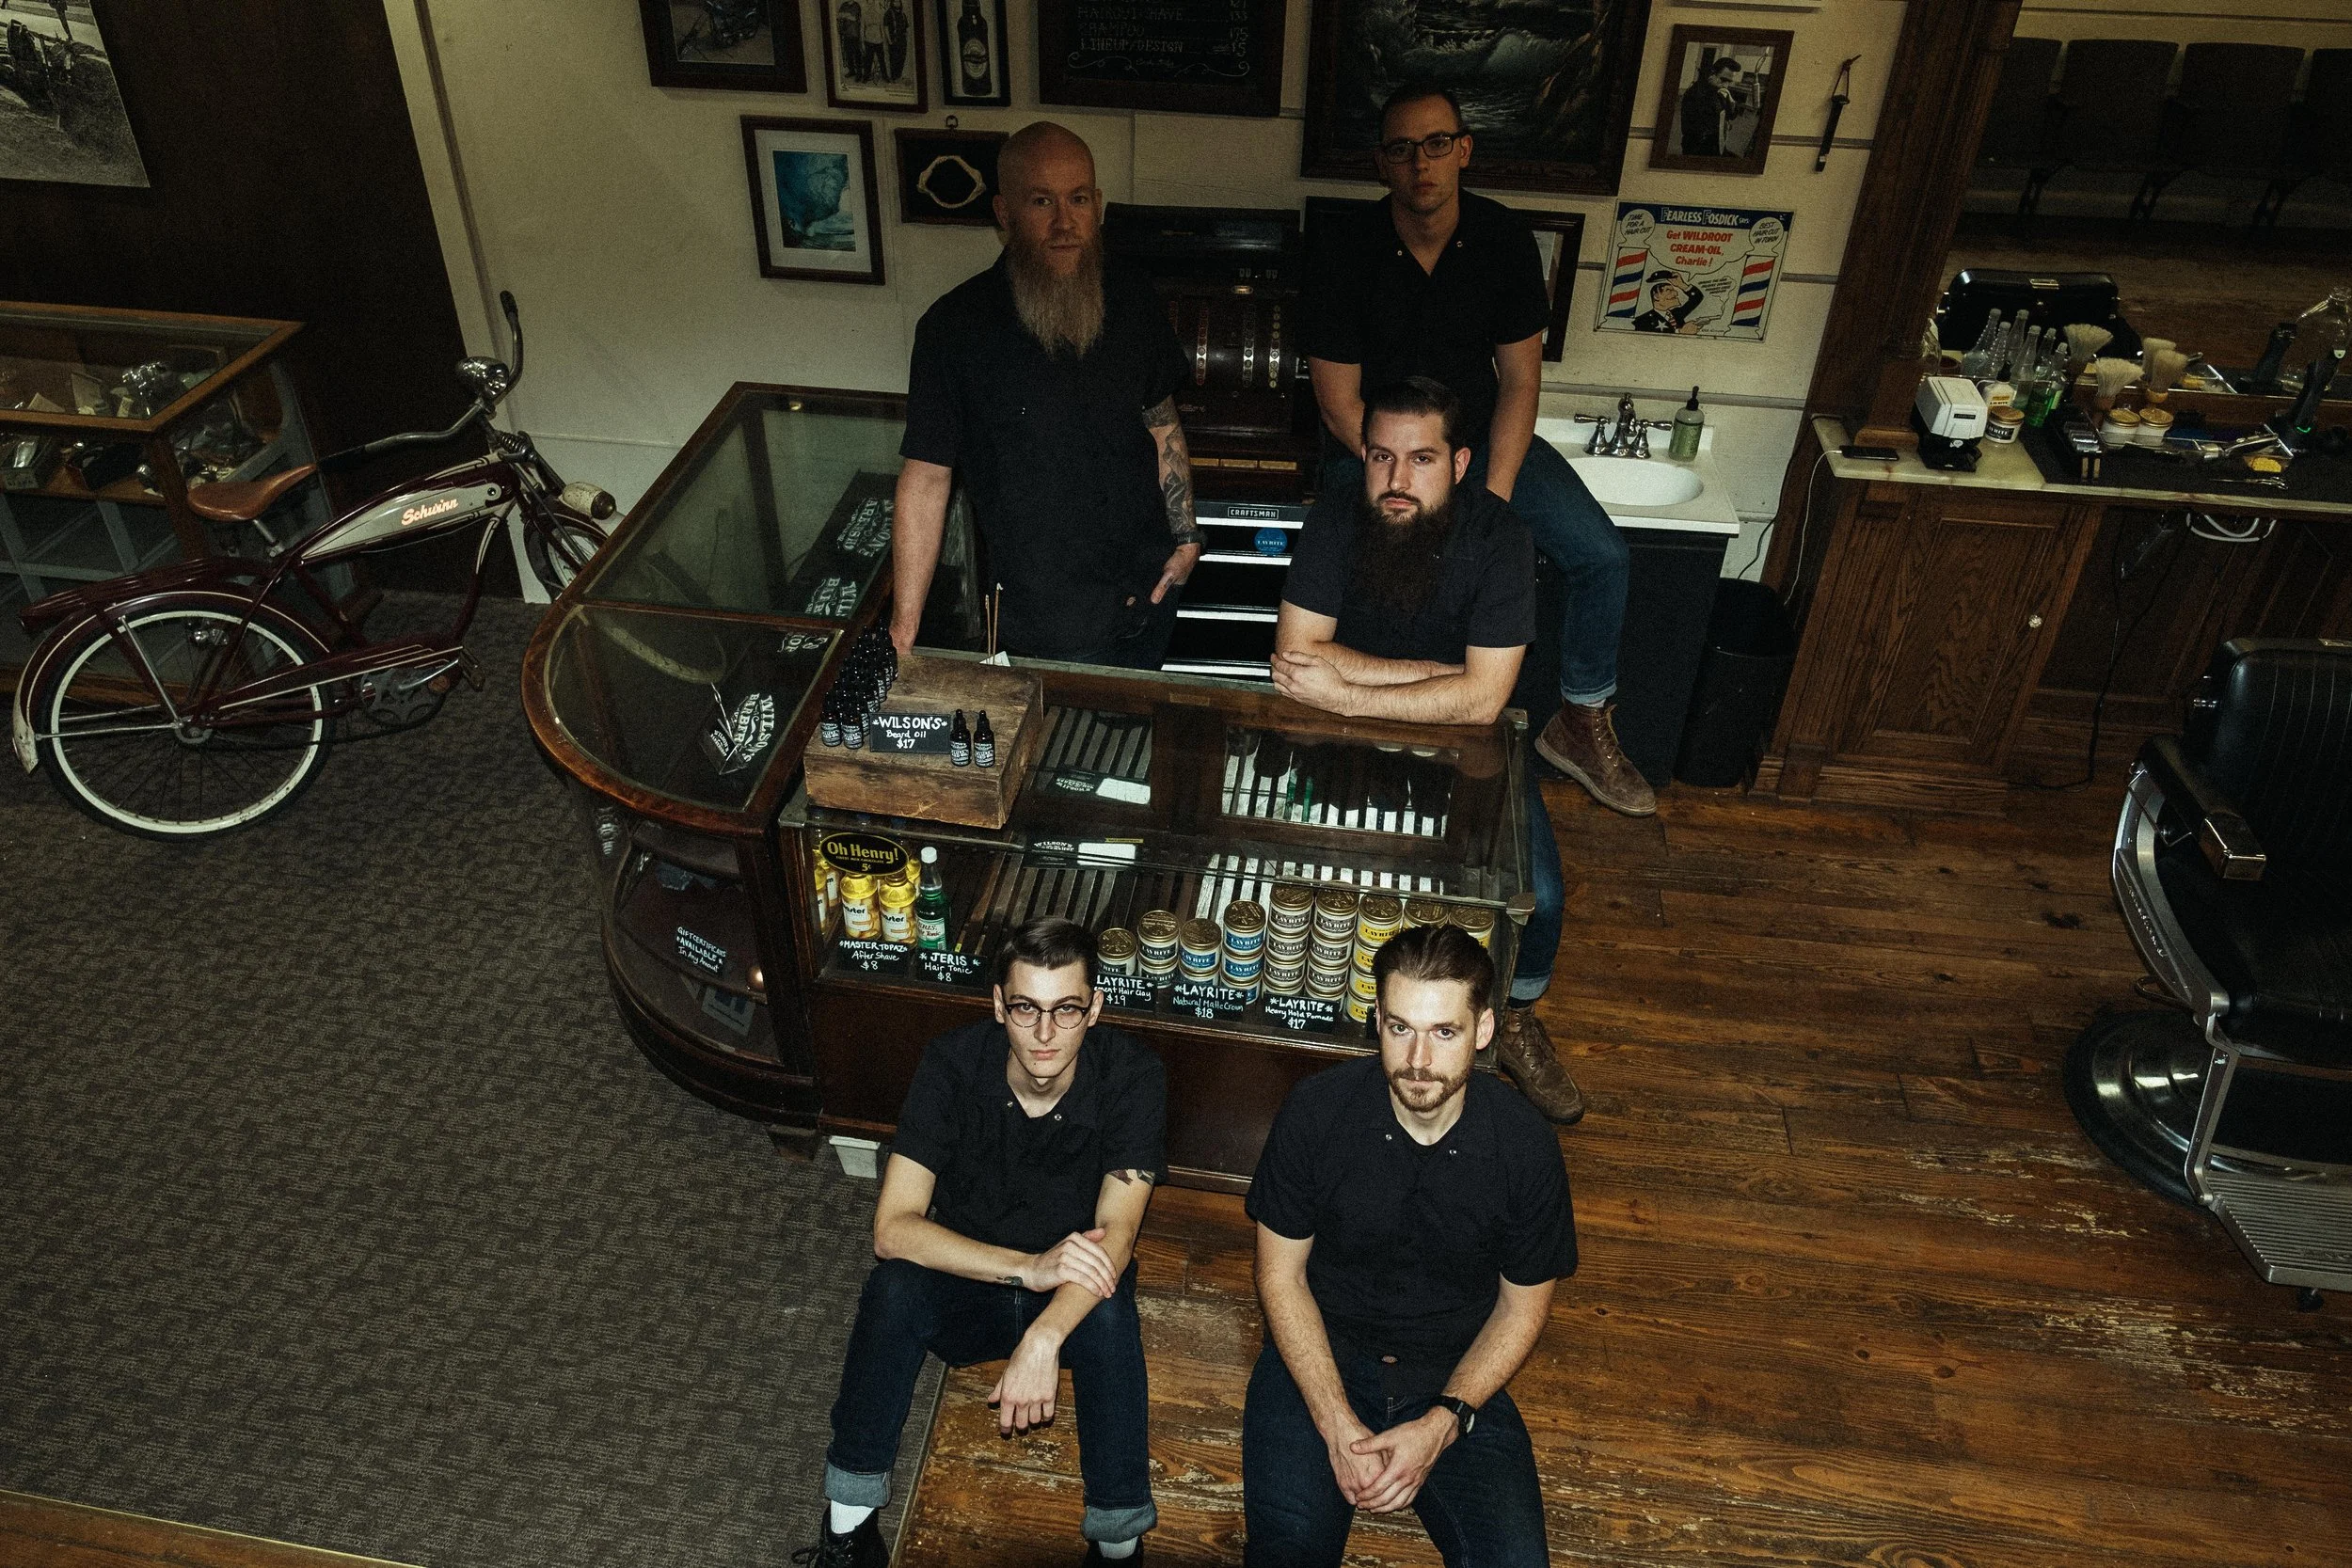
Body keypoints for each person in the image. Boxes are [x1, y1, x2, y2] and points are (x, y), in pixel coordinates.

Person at [1301, 82, 1652, 817]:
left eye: (1435, 144)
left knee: (1603, 556)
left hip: (1482, 447)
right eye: (1401, 149)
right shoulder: (1343, 249)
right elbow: (1339, 404)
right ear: (1381, 164)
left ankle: (1580, 721)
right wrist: (1407, 471)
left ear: (1463, 150)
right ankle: (1343, 722)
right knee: (1351, 559)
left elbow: (1521, 382)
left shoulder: (1503, 240)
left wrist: (1485, 497)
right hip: (1380, 449)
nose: (1419, 163)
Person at [800, 917, 1165, 1567]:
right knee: (893, 1289)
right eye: (1026, 1007)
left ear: (1095, 1007)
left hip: (1075, 1296)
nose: (1046, 1032)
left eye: (1067, 1009)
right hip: (971, 1279)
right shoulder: (951, 1063)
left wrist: (1047, 1334)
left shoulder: (1133, 1075)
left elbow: (1119, 1238)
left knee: (1109, 1314)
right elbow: (893, 1229)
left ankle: (1118, 1544)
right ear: (999, 1004)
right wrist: (1027, 1267)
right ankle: (847, 1529)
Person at [1271, 376, 1582, 1124]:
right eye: (1381, 457)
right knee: (1300, 864)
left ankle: (1508, 1016)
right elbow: (1293, 659)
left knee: (1540, 895)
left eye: (1421, 459)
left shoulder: (1502, 537)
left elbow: (1483, 703)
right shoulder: (1337, 517)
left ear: (1462, 462)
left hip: (1463, 747)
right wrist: (1445, 676)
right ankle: (1319, 1029)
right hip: (1341, 742)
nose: (1397, 481)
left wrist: (1349, 686)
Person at [1241, 922, 1578, 1567]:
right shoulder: (1315, 1112)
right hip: (1318, 1358)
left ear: (1482, 1031)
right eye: (1400, 1027)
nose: (1418, 1057)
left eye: (1443, 1031)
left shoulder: (1526, 1147)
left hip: (1450, 1372)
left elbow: (1522, 1307)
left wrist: (1446, 1419)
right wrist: (1334, 1420)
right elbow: (1280, 1277)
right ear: (1377, 1022)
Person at [890, 121, 1201, 668]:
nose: (1065, 221)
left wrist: (1187, 536)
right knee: (1058, 748)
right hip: (1043, 619)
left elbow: (1160, 417)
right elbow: (927, 478)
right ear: (1004, 213)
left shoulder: (1131, 296)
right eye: (1041, 201)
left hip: (1151, 589)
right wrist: (904, 627)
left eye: (1078, 199)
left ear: (1098, 205)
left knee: (1133, 743)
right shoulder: (952, 329)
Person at [1678, 55, 1742, 158]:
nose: (1726, 86)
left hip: (1718, 145)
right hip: (1699, 148)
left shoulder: (1720, 90)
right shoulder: (1695, 93)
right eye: (1723, 80)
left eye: (1729, 82)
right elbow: (1693, 129)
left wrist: (1730, 100)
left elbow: (1732, 115)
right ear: (1712, 74)